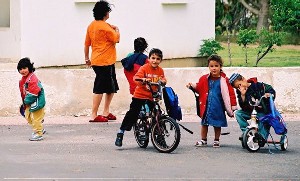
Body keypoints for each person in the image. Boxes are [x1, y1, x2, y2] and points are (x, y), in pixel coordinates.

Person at [115, 48, 167, 147]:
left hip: (152, 96)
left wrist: (164, 81)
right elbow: (136, 78)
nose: (155, 61)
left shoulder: (160, 70)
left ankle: (160, 137)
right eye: (153, 58)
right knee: (132, 113)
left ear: (161, 60)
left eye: (157, 59)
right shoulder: (144, 68)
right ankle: (121, 132)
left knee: (158, 115)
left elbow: (163, 78)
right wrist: (142, 79)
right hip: (140, 95)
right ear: (149, 58)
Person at [186, 55, 237, 148]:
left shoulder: (224, 80)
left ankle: (216, 140)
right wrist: (192, 86)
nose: (214, 68)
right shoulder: (204, 79)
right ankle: (203, 140)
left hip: (218, 107)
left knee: (217, 124)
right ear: (208, 67)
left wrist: (233, 105)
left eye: (216, 66)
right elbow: (199, 88)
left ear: (220, 67)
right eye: (212, 66)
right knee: (204, 123)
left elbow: (231, 94)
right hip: (206, 106)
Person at [84, 0, 120, 122]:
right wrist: (117, 30)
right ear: (105, 13)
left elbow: (86, 44)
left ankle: (106, 111)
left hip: (99, 60)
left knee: (111, 87)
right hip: (104, 61)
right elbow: (116, 39)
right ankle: (94, 114)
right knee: (99, 87)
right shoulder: (106, 27)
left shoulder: (92, 25)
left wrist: (87, 58)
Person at [229, 73, 276, 140]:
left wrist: (269, 94)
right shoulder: (240, 92)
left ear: (243, 79)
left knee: (263, 121)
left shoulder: (258, 86)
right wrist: (243, 95)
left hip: (262, 111)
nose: (240, 88)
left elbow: (270, 90)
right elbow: (243, 107)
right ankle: (246, 132)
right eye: (237, 87)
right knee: (238, 113)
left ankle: (262, 137)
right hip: (250, 111)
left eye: (240, 85)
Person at [18, 58, 46, 141]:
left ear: (29, 68)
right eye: (20, 69)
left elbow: (34, 93)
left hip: (36, 102)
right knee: (28, 116)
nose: (22, 71)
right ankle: (39, 128)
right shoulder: (24, 78)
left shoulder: (32, 78)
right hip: (29, 102)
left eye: (24, 68)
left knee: (35, 118)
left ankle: (38, 133)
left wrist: (26, 101)